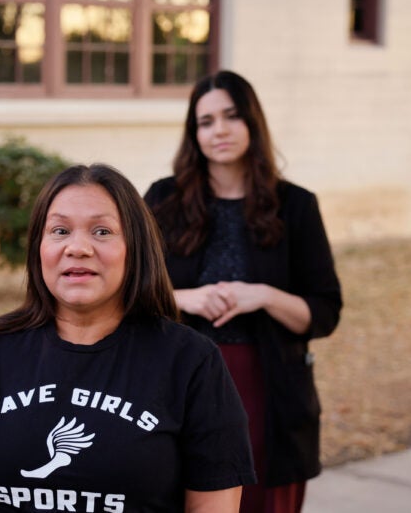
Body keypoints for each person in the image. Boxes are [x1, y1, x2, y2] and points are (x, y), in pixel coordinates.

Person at [0, 164, 256, 512]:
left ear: (134, 248)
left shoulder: (190, 361)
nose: (78, 248)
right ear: (39, 248)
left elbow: (213, 506)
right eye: (60, 230)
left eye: (102, 231)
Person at [143, 70, 343, 513]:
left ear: (252, 121)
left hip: (267, 385)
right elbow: (128, 289)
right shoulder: (163, 200)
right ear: (194, 133)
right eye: (206, 121)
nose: (220, 131)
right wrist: (184, 297)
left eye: (231, 116)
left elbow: (326, 311)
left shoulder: (296, 205)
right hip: (180, 378)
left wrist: (265, 296)